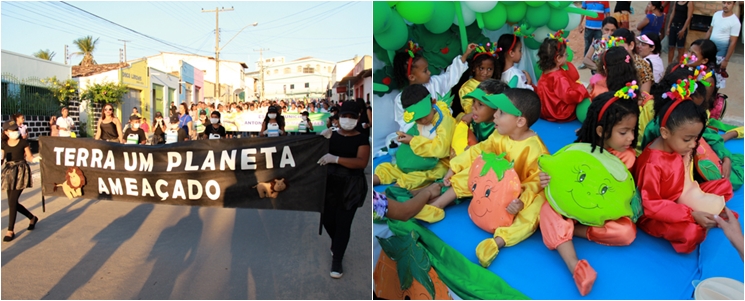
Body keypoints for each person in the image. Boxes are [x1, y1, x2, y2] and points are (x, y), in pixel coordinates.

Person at [428, 88, 548, 269]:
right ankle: (437, 206)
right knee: (475, 169)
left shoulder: (536, 150)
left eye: (501, 113)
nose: (494, 116)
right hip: (493, 184)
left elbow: (535, 182)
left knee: (536, 209)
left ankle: (497, 242)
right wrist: (454, 167)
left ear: (520, 121)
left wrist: (520, 202)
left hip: (516, 195)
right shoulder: (499, 134)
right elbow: (479, 150)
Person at [539, 86, 641, 296]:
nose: (630, 137)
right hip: (574, 206)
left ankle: (572, 232)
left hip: (601, 213)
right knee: (548, 209)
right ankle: (574, 265)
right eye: (624, 132)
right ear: (601, 131)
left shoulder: (626, 158)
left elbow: (622, 196)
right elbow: (564, 176)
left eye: (633, 130)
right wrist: (547, 179)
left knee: (626, 232)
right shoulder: (581, 149)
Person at [635, 79, 734, 254]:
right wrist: (690, 214)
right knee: (691, 234)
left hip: (679, 196)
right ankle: (699, 219)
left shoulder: (675, 146)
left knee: (724, 185)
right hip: (656, 212)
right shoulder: (652, 163)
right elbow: (651, 205)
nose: (693, 144)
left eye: (696, 138)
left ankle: (703, 216)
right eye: (687, 139)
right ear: (665, 132)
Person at [317, 101, 370, 279]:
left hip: (352, 186)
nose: (347, 120)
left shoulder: (362, 138)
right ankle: (336, 244)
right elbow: (313, 154)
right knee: (327, 220)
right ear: (338, 117)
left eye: (352, 117)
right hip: (330, 183)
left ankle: (337, 260)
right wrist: (319, 140)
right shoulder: (330, 135)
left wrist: (336, 159)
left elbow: (361, 162)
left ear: (357, 118)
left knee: (343, 224)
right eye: (344, 116)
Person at [373, 84, 456, 190]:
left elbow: (441, 150)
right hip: (418, 159)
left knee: (416, 178)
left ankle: (386, 196)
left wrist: (412, 141)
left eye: (424, 116)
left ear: (433, 102)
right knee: (390, 169)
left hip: (439, 162)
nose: (422, 121)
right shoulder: (423, 118)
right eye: (418, 119)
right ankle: (375, 180)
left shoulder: (444, 121)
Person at [391, 40, 477, 131]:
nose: (429, 72)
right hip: (422, 135)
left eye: (427, 69)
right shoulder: (401, 99)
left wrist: (466, 54)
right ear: (412, 77)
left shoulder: (434, 82)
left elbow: (450, 75)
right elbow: (404, 122)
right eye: (425, 71)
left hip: (446, 128)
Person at [535, 34, 590, 122]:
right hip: (559, 113)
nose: (567, 57)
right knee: (581, 93)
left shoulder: (545, 72)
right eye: (565, 55)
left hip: (544, 111)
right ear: (558, 58)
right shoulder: (558, 77)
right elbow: (568, 95)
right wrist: (582, 91)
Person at [1, 120, 40, 242]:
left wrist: (38, 159)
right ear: (6, 132)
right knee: (13, 203)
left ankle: (10, 230)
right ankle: (32, 217)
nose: (15, 132)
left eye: (16, 129)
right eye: (12, 130)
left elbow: (30, 157)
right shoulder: (4, 143)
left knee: (12, 201)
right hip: (9, 173)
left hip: (21, 171)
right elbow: (2, 159)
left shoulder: (23, 142)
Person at [451, 79, 508, 157]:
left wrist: (475, 151)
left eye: (480, 104)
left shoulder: (501, 130)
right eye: (474, 101)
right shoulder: (477, 119)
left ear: (496, 109)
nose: (473, 107)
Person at [705, 1, 741, 88]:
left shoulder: (735, 22)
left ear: (734, 4)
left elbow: (733, 42)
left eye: (729, 3)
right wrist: (701, 46)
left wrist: (726, 60)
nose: (726, 5)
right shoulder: (716, 15)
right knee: (704, 76)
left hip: (720, 56)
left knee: (716, 82)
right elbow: (710, 31)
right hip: (709, 51)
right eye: (724, 2)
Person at [457, 43, 499, 116]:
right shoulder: (467, 87)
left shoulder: (495, 85)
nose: (485, 72)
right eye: (481, 68)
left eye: (489, 69)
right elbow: (469, 109)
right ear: (473, 68)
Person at [613, 28, 654, 93]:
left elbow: (644, 96)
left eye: (620, 48)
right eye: (614, 48)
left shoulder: (642, 67)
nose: (616, 52)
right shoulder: (612, 61)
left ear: (631, 45)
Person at [578, 1, 611, 69]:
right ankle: (586, 63)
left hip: (600, 29)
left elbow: (607, 14)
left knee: (600, 46)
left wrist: (607, 27)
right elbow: (583, 12)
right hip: (588, 27)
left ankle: (600, 64)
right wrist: (580, 24)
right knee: (587, 45)